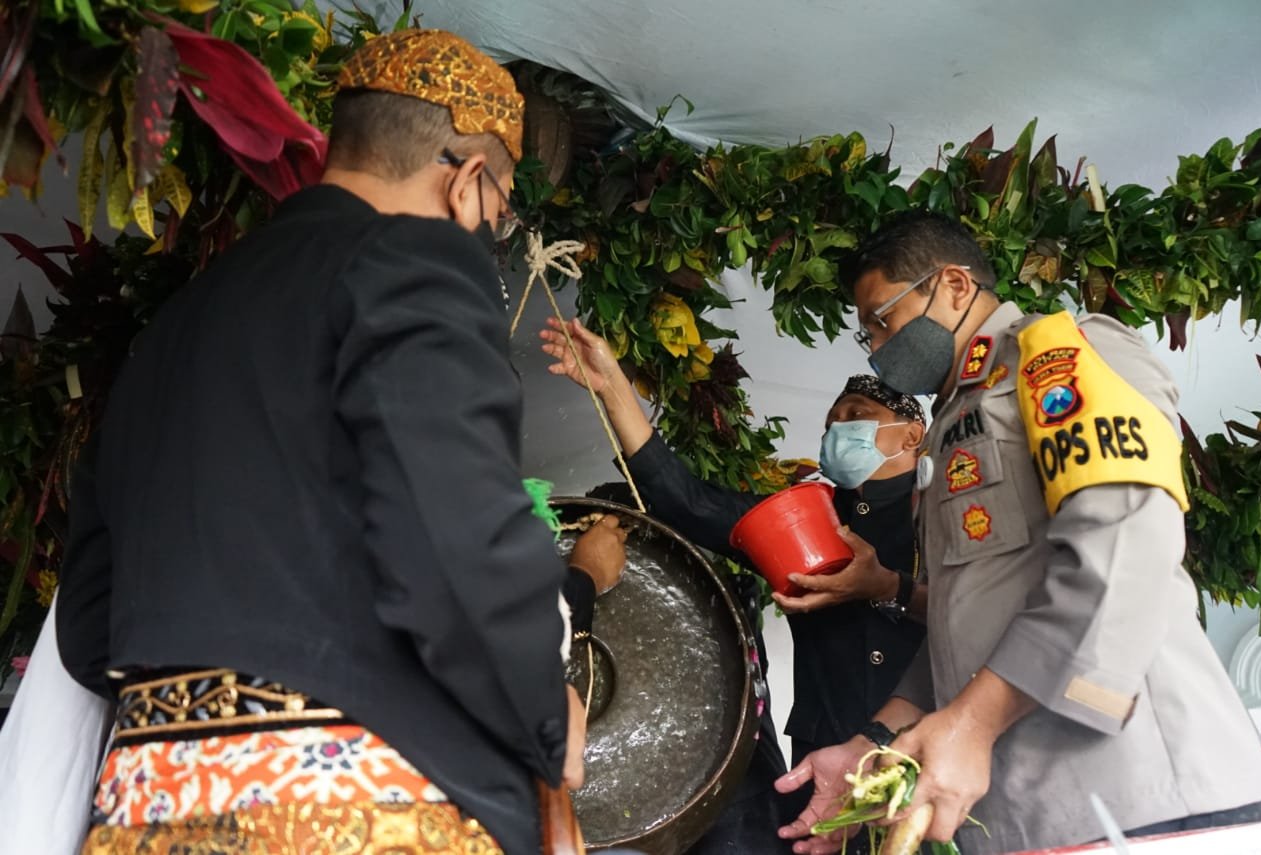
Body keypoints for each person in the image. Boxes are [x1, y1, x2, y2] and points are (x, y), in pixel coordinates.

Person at [56, 29, 618, 854]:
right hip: (353, 811)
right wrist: (543, 710)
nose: (491, 230)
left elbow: (88, 621)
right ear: (467, 182)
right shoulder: (416, 265)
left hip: (141, 812)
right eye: (500, 210)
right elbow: (455, 539)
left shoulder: (175, 326)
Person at [778, 212, 1261, 854]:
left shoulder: (1057, 356)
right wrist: (871, 744)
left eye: (883, 319)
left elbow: (1124, 550)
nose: (876, 346)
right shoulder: (949, 427)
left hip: (1145, 801)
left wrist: (973, 723)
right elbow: (963, 630)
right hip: (1025, 820)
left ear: (954, 285)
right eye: (867, 332)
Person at [541, 319, 929, 853]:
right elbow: (688, 502)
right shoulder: (802, 519)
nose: (838, 429)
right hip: (827, 763)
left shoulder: (948, 513)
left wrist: (887, 586)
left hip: (925, 750)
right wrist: (612, 388)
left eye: (857, 416)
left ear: (913, 434)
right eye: (832, 421)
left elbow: (983, 614)